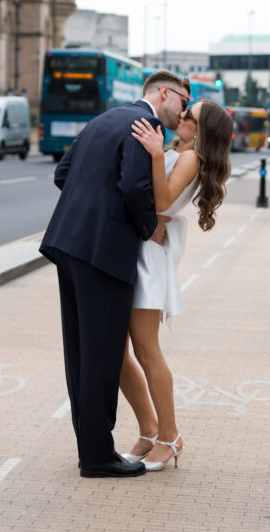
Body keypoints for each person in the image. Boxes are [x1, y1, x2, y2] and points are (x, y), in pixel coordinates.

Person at [39, 70, 191, 478]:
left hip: (66, 245)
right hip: (104, 255)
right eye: (184, 103)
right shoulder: (147, 127)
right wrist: (149, 226)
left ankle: (91, 448)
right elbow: (133, 186)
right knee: (104, 356)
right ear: (164, 93)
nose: (184, 113)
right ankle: (97, 457)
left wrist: (88, 211)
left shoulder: (103, 119)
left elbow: (62, 174)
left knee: (82, 353)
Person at [119, 98, 233, 471]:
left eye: (190, 115)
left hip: (148, 260)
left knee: (147, 351)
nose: (181, 116)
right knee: (118, 354)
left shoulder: (189, 159)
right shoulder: (178, 151)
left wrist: (153, 154)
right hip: (140, 246)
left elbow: (164, 199)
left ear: (200, 131)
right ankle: (149, 430)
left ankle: (169, 436)